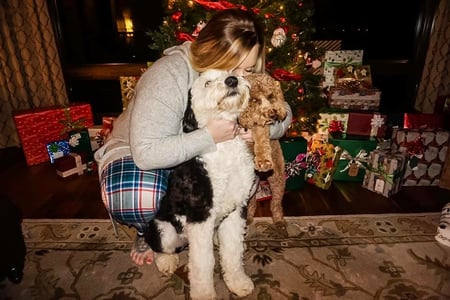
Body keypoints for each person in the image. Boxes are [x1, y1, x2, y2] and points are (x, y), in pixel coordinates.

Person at [94, 8, 292, 266]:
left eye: (249, 68)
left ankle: (212, 224)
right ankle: (148, 231)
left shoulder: (241, 76)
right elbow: (147, 154)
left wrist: (257, 131)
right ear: (213, 51)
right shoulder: (169, 74)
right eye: (233, 65)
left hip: (199, 157)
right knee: (138, 196)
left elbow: (283, 114)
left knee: (240, 176)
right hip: (141, 153)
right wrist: (208, 136)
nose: (240, 76)